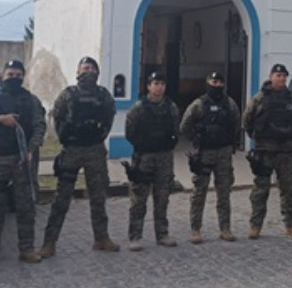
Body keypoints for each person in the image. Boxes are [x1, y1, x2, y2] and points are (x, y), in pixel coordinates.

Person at [40, 56, 120, 258]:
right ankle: (49, 242)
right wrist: (65, 138)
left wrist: (100, 136)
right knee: (62, 199)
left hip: (95, 150)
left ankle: (101, 238)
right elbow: (56, 117)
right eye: (84, 68)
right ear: (77, 72)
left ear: (97, 72)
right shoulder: (68, 94)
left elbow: (109, 117)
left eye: (91, 69)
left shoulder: (103, 95)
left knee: (98, 197)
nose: (88, 72)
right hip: (72, 150)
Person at [0, 59, 46, 267]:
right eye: (10, 75)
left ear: (23, 77)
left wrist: (31, 149)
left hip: (22, 159)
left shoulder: (31, 100)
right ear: (2, 76)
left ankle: (27, 249)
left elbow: (39, 127)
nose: (14, 78)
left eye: (18, 75)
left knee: (26, 206)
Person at [242, 63, 292, 239]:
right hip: (265, 150)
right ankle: (255, 225)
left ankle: (291, 225)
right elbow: (247, 120)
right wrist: (257, 138)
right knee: (260, 190)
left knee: (288, 189)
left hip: (286, 150)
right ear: (271, 77)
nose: (281, 79)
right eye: (278, 75)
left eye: (284, 76)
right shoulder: (259, 98)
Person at [179, 71, 241, 243]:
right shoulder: (198, 104)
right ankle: (195, 229)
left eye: (220, 82)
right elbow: (184, 126)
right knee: (199, 192)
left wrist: (230, 141)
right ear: (207, 83)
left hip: (224, 153)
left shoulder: (229, 104)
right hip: (204, 153)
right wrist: (196, 139)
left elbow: (237, 124)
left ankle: (225, 228)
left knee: (224, 192)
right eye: (214, 82)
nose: (217, 85)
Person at [124, 71, 181, 250]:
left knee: (162, 197)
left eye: (162, 84)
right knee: (139, 199)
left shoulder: (171, 107)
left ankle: (162, 234)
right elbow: (130, 131)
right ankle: (135, 236)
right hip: (144, 158)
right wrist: (143, 144)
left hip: (164, 157)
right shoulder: (139, 107)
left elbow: (176, 130)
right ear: (148, 86)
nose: (159, 87)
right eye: (156, 84)